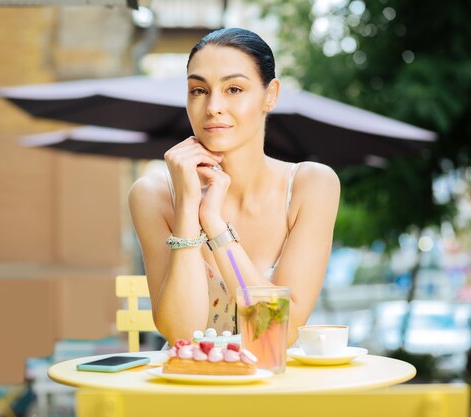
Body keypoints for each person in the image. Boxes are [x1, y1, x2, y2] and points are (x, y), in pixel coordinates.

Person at [128, 28, 340, 347]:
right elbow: (182, 334)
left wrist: (214, 224)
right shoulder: (152, 195)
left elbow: (277, 331)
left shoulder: (311, 185)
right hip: (191, 391)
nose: (213, 106)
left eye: (234, 89)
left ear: (271, 95)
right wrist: (188, 209)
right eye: (198, 90)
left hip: (277, 389)